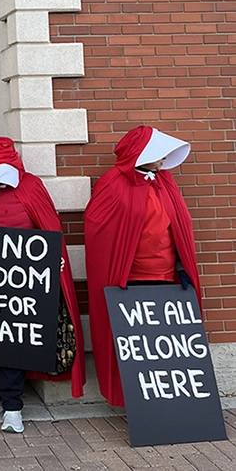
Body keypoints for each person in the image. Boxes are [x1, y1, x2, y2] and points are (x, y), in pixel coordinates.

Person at [0, 137, 85, 434]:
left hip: (21, 280)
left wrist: (52, 259)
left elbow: (48, 228)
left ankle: (12, 403)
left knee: (13, 340)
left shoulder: (31, 187)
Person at [84, 125, 201, 406]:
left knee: (167, 345)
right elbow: (98, 229)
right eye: (158, 153)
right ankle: (140, 405)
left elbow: (178, 226)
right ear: (141, 154)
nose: (164, 159)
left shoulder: (164, 181)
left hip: (169, 278)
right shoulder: (113, 183)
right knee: (138, 347)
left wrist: (182, 265)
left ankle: (170, 402)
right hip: (131, 279)